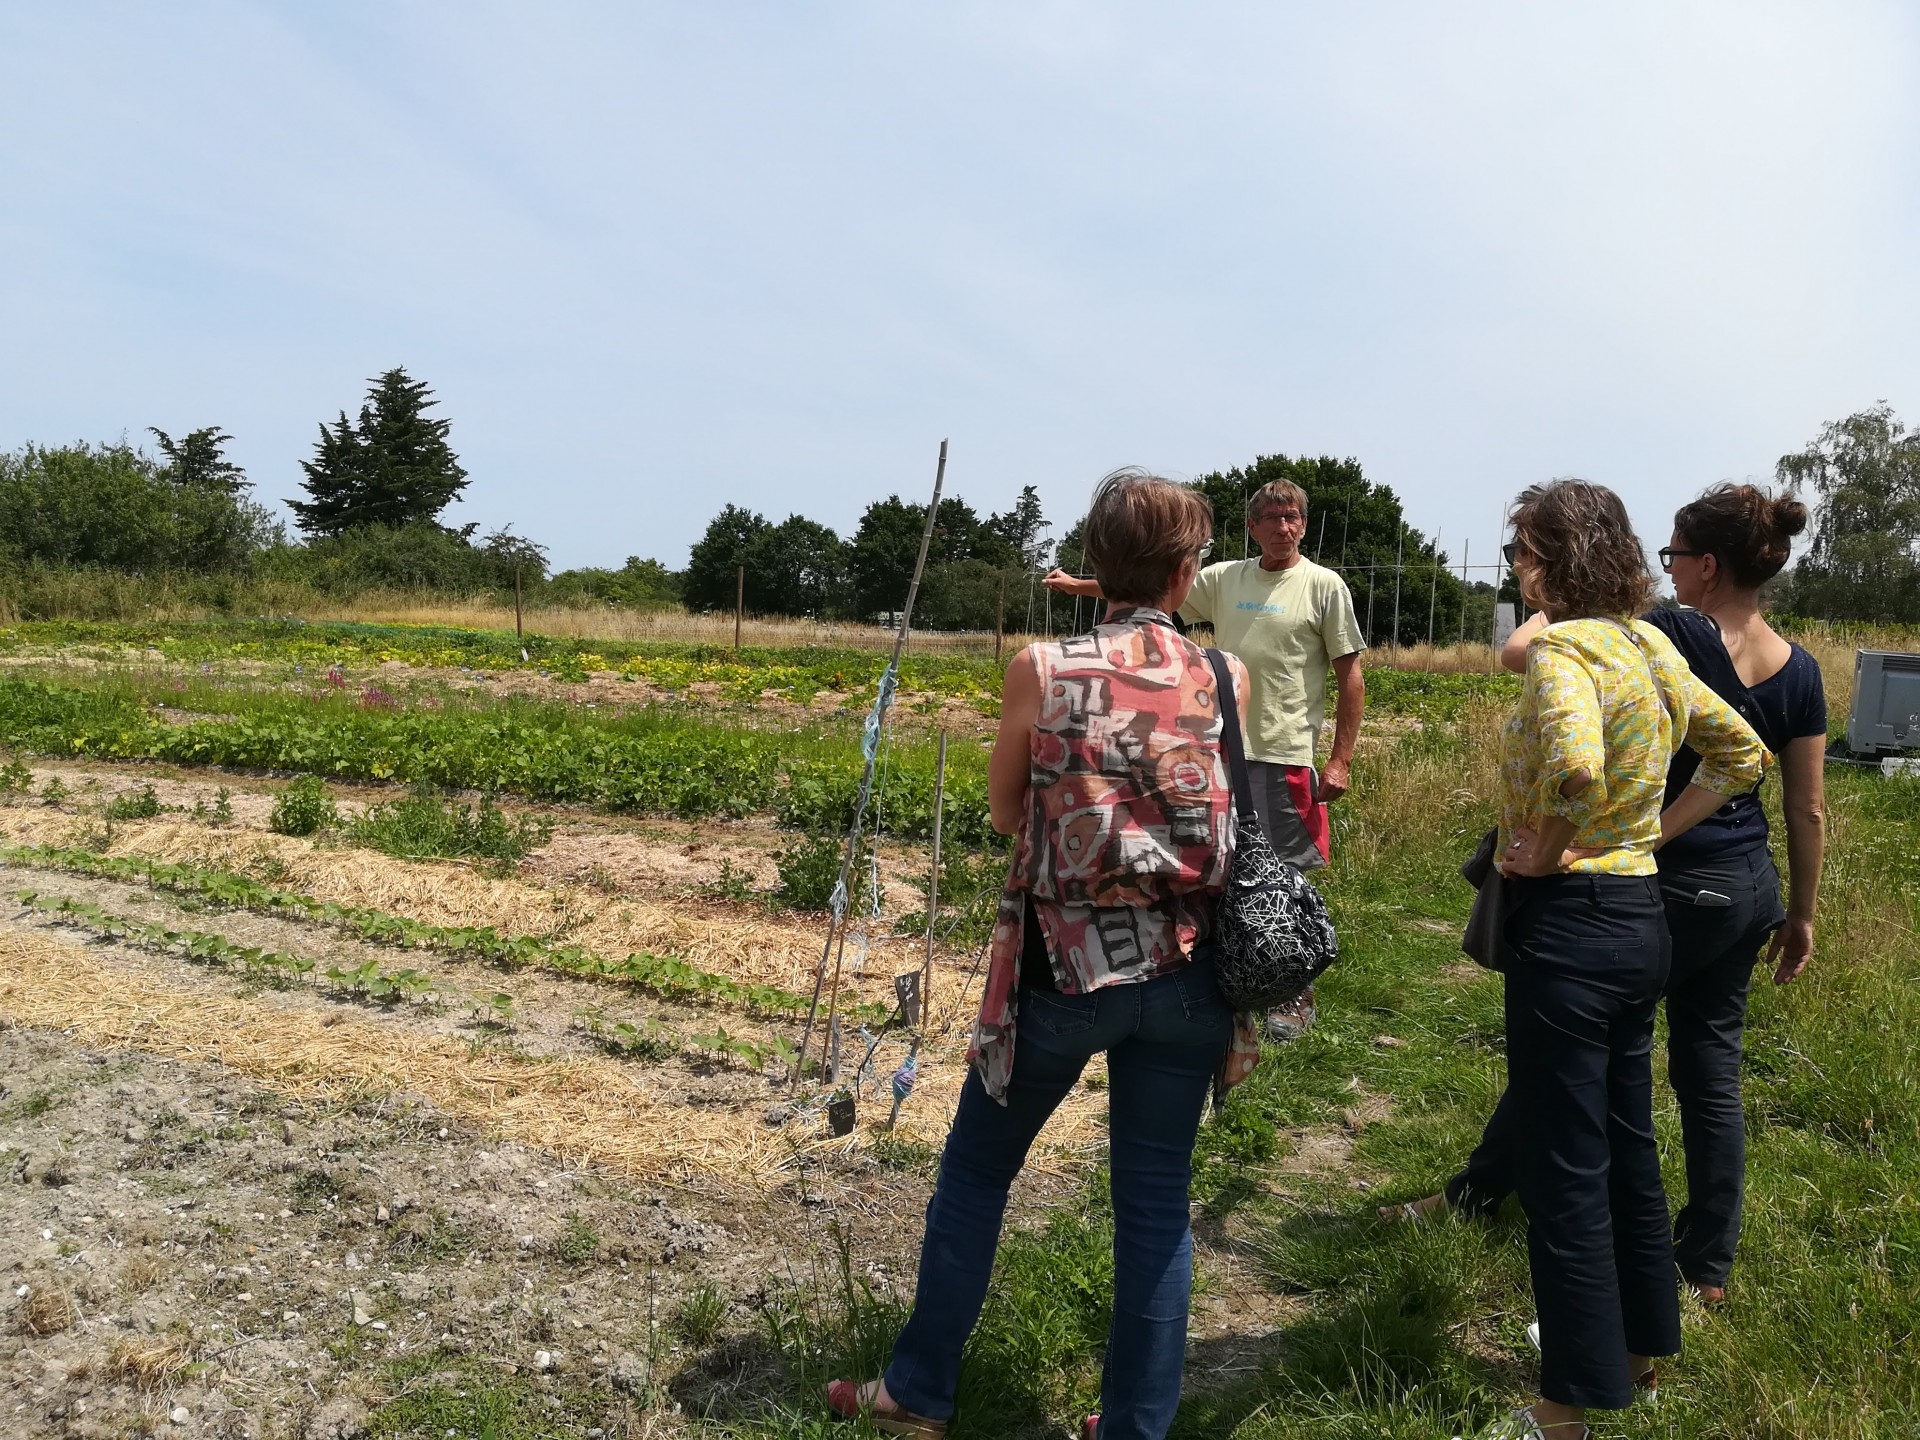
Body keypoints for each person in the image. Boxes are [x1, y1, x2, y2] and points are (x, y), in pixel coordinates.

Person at [828, 470, 1259, 1440]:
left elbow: (1006, 811)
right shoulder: (1224, 677)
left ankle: (918, 1393)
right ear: (1187, 572)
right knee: (1155, 1209)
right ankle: (1135, 1428)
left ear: (1094, 562)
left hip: (1064, 969)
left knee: (978, 1174)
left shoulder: (1041, 669)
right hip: (1191, 973)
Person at [1395, 484, 1826, 1311]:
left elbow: (1532, 665)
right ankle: (1704, 1264)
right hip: (1743, 886)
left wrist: (1635, 836)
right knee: (1709, 1075)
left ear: (1704, 565)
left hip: (1634, 879)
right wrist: (1799, 912)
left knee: (1567, 1061)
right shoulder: (1798, 669)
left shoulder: (1648, 634)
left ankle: (1483, 1196)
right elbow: (1802, 802)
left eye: (1672, 555)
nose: (1663, 568)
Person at [1445, 481, 1769, 1440]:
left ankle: (1562, 1408)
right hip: (1640, 917)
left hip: (1572, 927)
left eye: (1520, 553)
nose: (1515, 568)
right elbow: (1740, 752)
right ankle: (1637, 1350)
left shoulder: (1560, 649)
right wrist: (1652, 838)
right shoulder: (1651, 642)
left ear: (1545, 561)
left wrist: (1548, 841)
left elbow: (1577, 762)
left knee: (1562, 1168)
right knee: (1629, 1146)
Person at [1047, 478, 1365, 1040]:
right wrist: (1076, 585)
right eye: (1270, 518)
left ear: (1304, 524)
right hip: (1216, 743)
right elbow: (1143, 589)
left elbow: (1350, 675)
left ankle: (1291, 992)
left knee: (1283, 871)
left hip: (1283, 749)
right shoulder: (1225, 579)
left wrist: (1339, 759)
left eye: (1292, 517)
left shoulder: (1323, 586)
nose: (1282, 528)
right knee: (1220, 868)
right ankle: (1236, 973)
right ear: (1252, 526)